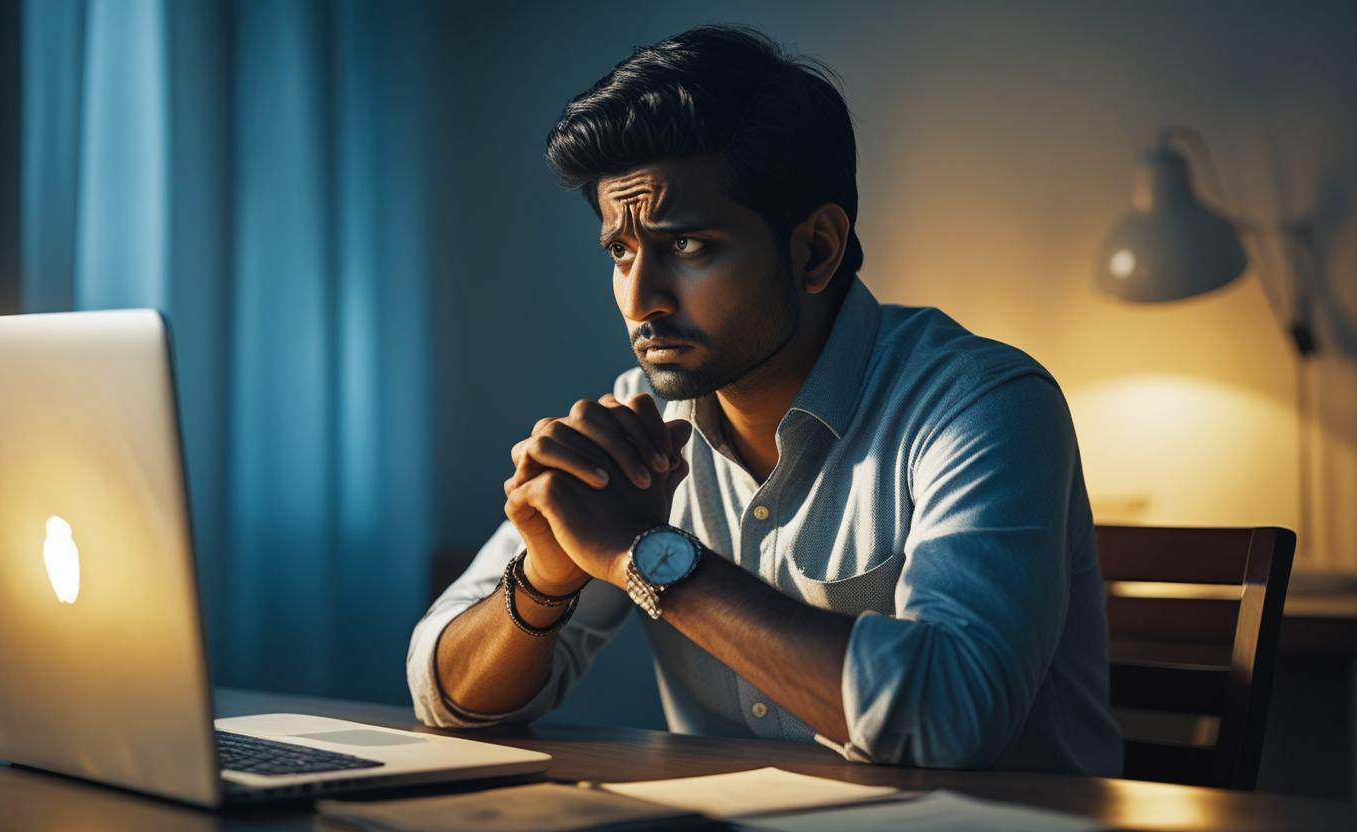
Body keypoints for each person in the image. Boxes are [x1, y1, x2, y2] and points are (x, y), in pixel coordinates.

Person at [407, 25, 1122, 775]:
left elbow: (951, 714)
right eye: (621, 250)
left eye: (686, 246)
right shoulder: (638, 423)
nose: (639, 300)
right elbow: (444, 694)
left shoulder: (981, 405)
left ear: (816, 249)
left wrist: (643, 557)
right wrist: (548, 576)